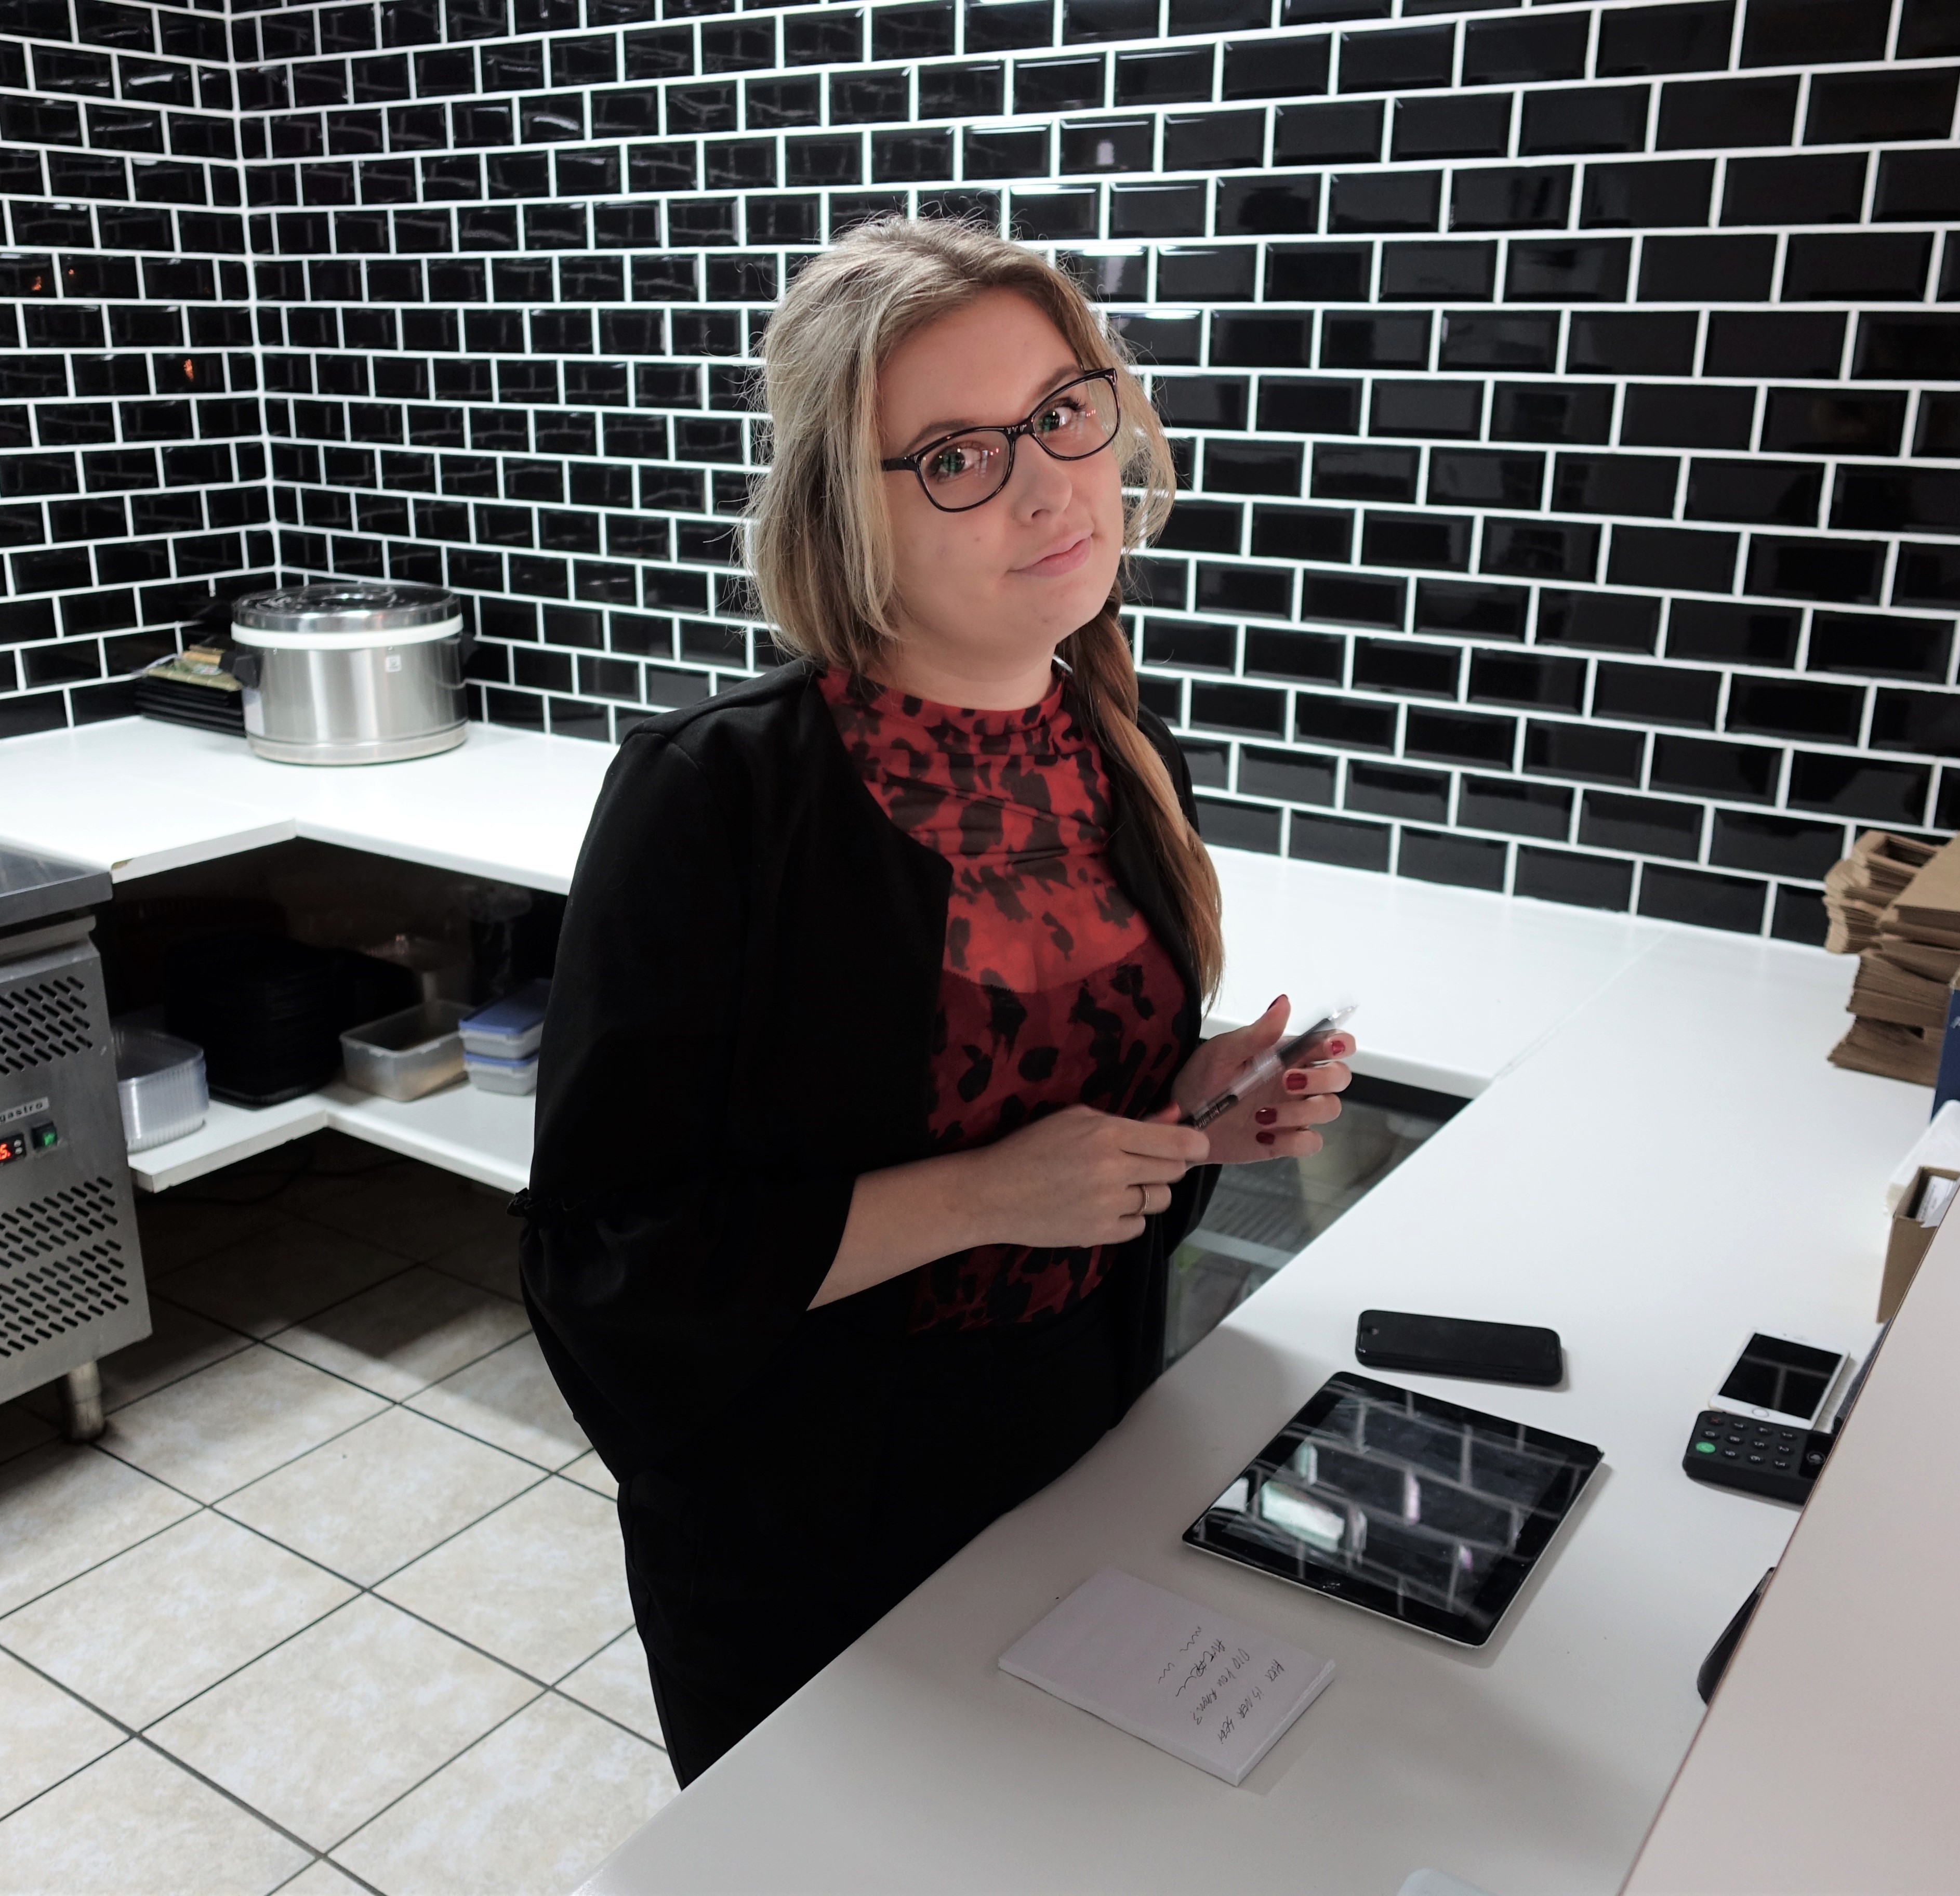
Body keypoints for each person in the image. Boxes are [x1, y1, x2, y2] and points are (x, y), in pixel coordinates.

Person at [517, 218, 1359, 1785]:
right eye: (958, 456)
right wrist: (984, 1196)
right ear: (850, 515)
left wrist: (1187, 1112)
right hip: (803, 1519)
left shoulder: (1105, 732)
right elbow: (607, 1261)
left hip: (1079, 1438)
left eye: (1061, 414)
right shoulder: (716, 799)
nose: (1049, 482)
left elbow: (1044, 1097)